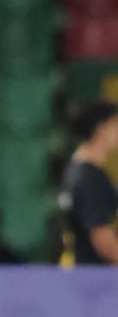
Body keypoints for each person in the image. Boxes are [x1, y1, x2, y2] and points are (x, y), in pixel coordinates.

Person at [59, 101, 118, 266]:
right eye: (115, 124)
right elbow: (103, 240)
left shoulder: (77, 169)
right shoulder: (89, 177)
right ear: (101, 129)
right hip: (92, 276)